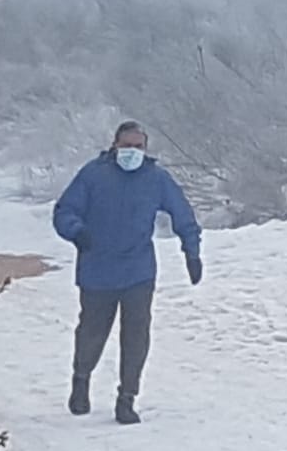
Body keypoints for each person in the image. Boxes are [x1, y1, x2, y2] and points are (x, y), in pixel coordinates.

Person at [51, 120, 203, 425]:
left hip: (138, 271)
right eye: (127, 146)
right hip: (97, 270)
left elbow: (182, 214)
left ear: (146, 149)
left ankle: (127, 398)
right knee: (92, 333)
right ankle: (81, 379)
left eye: (138, 146)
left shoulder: (156, 179)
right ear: (114, 145)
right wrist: (77, 232)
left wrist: (192, 252)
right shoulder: (93, 175)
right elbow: (65, 211)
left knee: (136, 337)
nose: (132, 151)